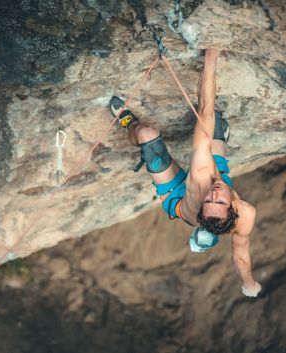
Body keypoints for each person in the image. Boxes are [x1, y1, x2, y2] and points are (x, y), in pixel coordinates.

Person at [110, 49, 261, 297]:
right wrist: (249, 284)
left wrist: (210, 58)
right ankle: (205, 236)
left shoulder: (203, 179)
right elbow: (241, 257)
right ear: (233, 205)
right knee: (214, 120)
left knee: (147, 137)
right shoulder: (246, 214)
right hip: (209, 181)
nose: (213, 193)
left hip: (179, 198)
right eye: (219, 200)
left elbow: (204, 111)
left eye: (209, 201)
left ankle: (128, 123)